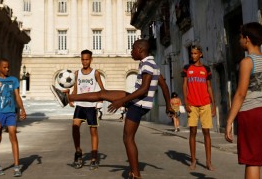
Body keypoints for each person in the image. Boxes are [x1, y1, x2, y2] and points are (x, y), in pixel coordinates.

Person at [50, 39, 173, 179]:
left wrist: (122, 101)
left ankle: (136, 174)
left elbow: (144, 90)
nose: (131, 51)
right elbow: (163, 85)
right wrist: (168, 105)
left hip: (138, 104)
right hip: (136, 100)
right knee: (102, 94)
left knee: (128, 139)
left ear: (140, 50)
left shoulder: (148, 65)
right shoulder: (152, 64)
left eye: (132, 48)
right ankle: (67, 98)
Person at [225, 22, 262, 179]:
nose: (239, 40)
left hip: (252, 114)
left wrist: (229, 120)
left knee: (252, 161)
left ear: (247, 39)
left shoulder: (247, 62)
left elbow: (240, 94)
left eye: (241, 37)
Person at [0, 58, 27, 177]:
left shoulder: (13, 80)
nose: (7, 69)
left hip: (10, 112)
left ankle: (16, 166)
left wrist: (22, 109)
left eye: (8, 67)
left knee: (13, 133)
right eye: (4, 67)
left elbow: (17, 96)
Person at [69, 49, 106, 170]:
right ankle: (78, 151)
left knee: (93, 132)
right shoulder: (76, 73)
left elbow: (102, 90)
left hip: (91, 106)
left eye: (87, 59)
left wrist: (100, 101)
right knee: (75, 128)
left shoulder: (95, 73)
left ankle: (94, 158)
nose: (84, 62)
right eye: (83, 59)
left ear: (91, 59)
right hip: (80, 105)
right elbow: (74, 89)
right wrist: (71, 99)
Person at [182, 44, 216, 170]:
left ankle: (208, 161)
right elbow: (184, 85)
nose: (193, 55)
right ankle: (193, 160)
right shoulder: (187, 68)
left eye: (195, 53)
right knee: (193, 132)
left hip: (205, 104)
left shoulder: (206, 69)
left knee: (207, 132)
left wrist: (213, 104)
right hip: (192, 104)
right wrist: (185, 102)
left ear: (200, 54)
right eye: (191, 53)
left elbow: (209, 87)